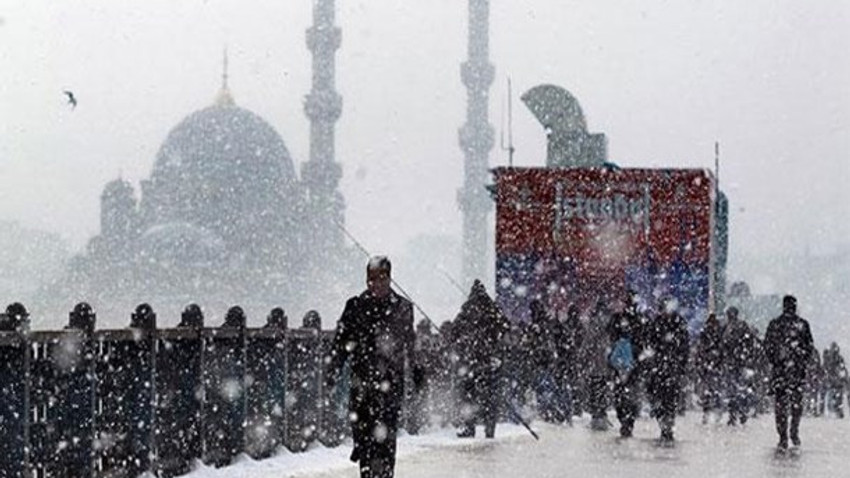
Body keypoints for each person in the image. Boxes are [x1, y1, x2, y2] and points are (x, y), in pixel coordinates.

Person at [325, 257, 416, 478]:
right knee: (365, 442)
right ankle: (366, 466)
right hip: (362, 387)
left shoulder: (403, 308)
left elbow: (410, 347)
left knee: (386, 444)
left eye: (381, 278)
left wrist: (416, 373)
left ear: (389, 278)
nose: (376, 284)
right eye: (371, 279)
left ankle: (383, 472)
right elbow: (341, 345)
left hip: (390, 388)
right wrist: (332, 372)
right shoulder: (355, 307)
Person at [453, 279, 510, 438]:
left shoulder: (467, 309)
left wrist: (462, 342)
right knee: (491, 396)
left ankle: (469, 427)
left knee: (468, 395)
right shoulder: (493, 309)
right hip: (489, 360)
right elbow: (506, 326)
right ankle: (490, 427)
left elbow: (454, 331)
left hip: (471, 361)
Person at [764, 295, 815, 452]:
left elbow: (767, 346)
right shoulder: (802, 324)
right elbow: (809, 347)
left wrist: (777, 359)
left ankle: (783, 436)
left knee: (781, 406)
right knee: (796, 405)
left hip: (781, 371)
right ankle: (793, 431)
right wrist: (800, 357)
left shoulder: (775, 324)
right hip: (796, 372)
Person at [643, 297, 690, 444]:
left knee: (670, 400)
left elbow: (684, 347)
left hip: (672, 369)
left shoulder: (678, 324)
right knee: (657, 398)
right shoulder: (656, 323)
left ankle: (667, 428)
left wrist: (681, 366)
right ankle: (664, 425)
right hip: (658, 369)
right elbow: (649, 344)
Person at [606, 289, 646, 438]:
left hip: (622, 366)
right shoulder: (639, 319)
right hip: (630, 366)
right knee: (628, 396)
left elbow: (610, 337)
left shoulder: (619, 319)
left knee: (622, 395)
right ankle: (627, 422)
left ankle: (626, 421)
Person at [722, 307, 757, 426]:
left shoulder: (731, 328)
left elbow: (723, 345)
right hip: (737, 363)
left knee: (736, 390)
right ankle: (738, 414)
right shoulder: (733, 327)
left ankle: (737, 414)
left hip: (737, 363)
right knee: (738, 390)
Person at [695, 313, 724, 424]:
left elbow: (700, 350)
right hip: (711, 366)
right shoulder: (715, 333)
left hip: (710, 366)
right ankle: (712, 412)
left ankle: (709, 412)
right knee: (713, 391)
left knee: (710, 391)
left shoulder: (708, 333)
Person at [822, 342, 847, 418]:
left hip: (833, 381)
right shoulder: (836, 358)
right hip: (835, 381)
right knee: (836, 397)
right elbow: (842, 369)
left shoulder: (831, 359)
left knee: (834, 396)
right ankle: (837, 411)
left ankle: (835, 411)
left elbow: (826, 368)